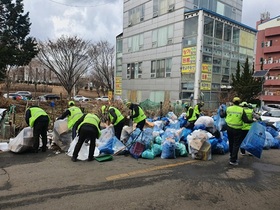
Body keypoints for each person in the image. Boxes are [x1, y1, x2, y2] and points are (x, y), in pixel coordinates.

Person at [220, 97, 254, 166]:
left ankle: (231, 156)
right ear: (239, 103)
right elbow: (246, 120)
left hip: (229, 128)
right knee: (236, 144)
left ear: (233, 102)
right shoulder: (241, 110)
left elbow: (222, 116)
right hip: (238, 129)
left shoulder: (228, 108)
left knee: (231, 143)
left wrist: (221, 110)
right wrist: (253, 120)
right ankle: (233, 160)